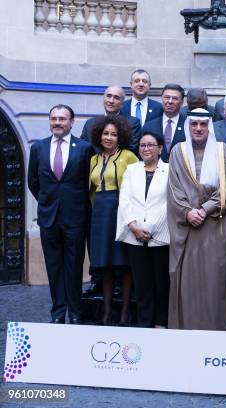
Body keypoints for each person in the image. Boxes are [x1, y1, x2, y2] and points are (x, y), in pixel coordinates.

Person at [167, 108, 226, 330]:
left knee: (215, 278)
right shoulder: (178, 151)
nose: (198, 128)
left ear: (210, 127)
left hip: (215, 224)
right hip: (187, 226)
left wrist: (204, 210)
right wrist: (188, 212)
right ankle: (187, 325)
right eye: (194, 124)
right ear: (188, 126)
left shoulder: (222, 150)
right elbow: (173, 188)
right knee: (188, 281)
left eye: (203, 124)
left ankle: (215, 326)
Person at [27, 104, 93, 324]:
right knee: (54, 268)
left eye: (62, 119)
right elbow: (33, 182)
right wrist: (49, 203)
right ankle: (57, 313)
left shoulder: (84, 148)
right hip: (49, 218)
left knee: (74, 267)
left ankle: (75, 313)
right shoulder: (38, 148)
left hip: (75, 218)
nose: (57, 122)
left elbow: (88, 183)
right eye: (54, 118)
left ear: (71, 122)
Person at [88, 115, 139, 325]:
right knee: (105, 264)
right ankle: (107, 313)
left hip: (120, 210)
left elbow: (137, 185)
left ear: (121, 137)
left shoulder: (128, 156)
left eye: (113, 134)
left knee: (123, 263)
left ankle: (125, 312)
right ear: (99, 136)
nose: (109, 137)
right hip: (99, 213)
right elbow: (90, 189)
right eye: (105, 133)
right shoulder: (94, 159)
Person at [116, 131, 170, 328]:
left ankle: (161, 322)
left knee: (161, 281)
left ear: (160, 148)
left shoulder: (170, 170)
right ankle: (145, 323)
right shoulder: (131, 170)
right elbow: (124, 200)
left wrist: (149, 227)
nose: (146, 148)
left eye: (150, 145)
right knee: (142, 282)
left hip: (160, 235)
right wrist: (133, 226)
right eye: (142, 145)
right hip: (134, 235)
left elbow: (169, 202)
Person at [81, 85, 141, 153]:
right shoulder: (90, 123)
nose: (111, 101)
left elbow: (131, 150)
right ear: (104, 99)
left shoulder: (132, 123)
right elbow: (83, 149)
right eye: (109, 96)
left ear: (122, 103)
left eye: (116, 98)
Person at [141, 83, 186, 162]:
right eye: (167, 97)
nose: (170, 101)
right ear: (162, 99)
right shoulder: (149, 126)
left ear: (182, 102)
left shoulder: (188, 125)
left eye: (175, 98)